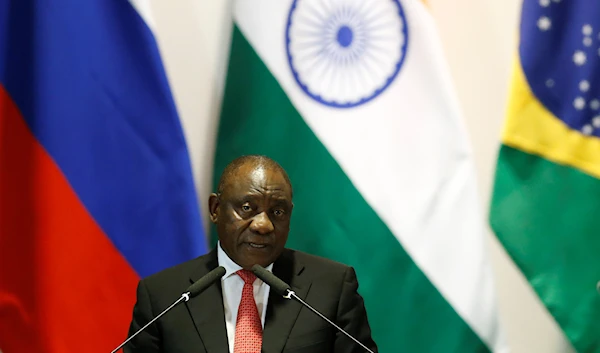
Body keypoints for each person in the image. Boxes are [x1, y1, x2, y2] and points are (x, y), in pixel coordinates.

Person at [124, 155, 378, 353]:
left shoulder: (331, 287)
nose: (263, 225)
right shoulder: (164, 296)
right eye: (247, 208)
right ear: (215, 209)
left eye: (277, 212)